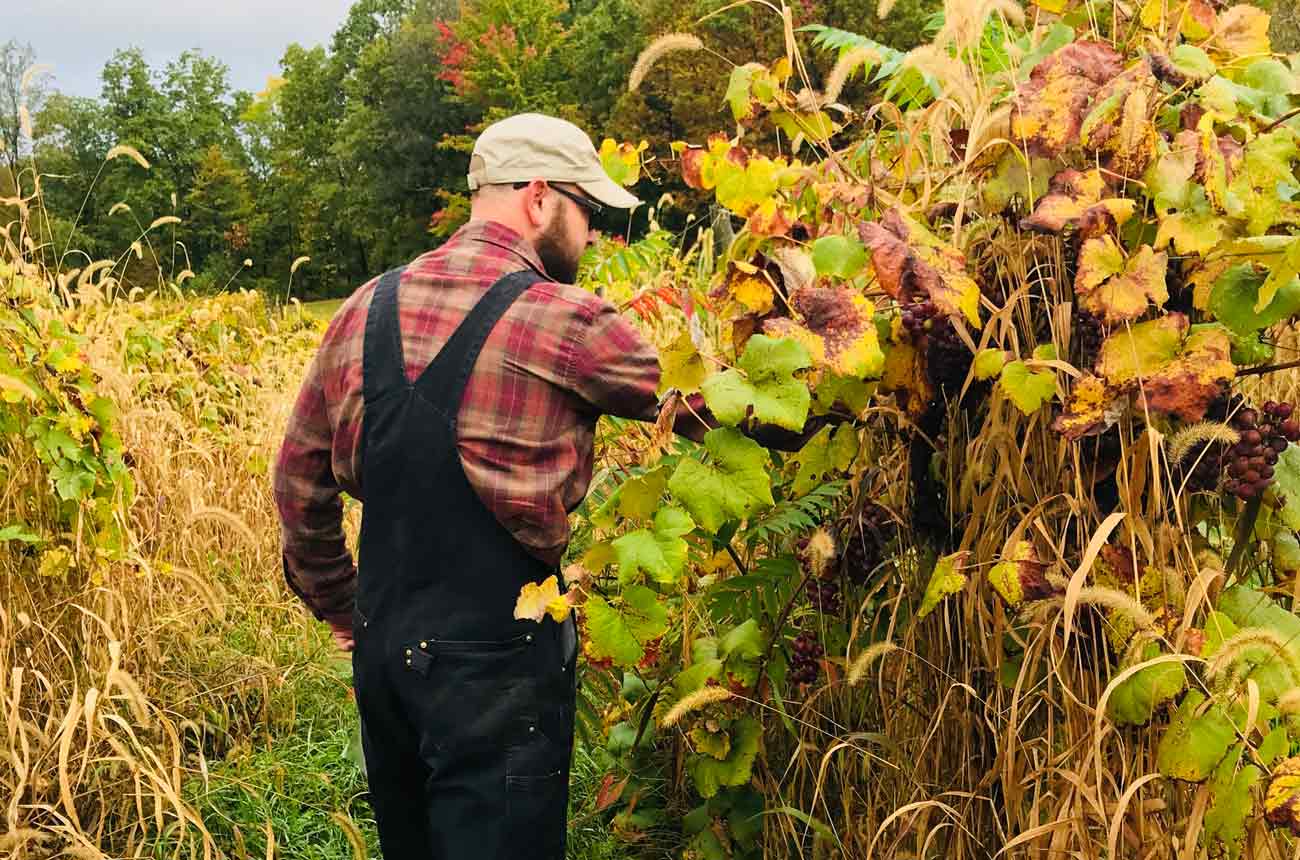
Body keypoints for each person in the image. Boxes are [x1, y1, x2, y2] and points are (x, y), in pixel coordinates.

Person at [273, 113, 713, 859]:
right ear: (539, 198)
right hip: (499, 663)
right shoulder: (567, 318)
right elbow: (712, 405)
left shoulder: (360, 310)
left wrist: (344, 608)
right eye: (587, 210)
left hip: (384, 650)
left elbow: (297, 484)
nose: (592, 235)